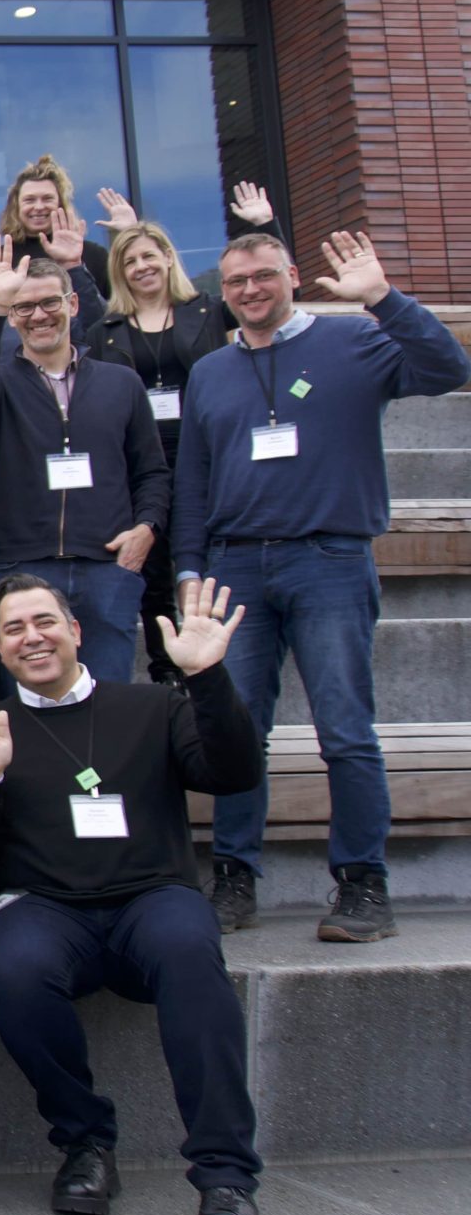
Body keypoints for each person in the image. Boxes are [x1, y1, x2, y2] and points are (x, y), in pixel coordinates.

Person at [0, 576, 265, 1215]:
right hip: (47, 907)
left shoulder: (152, 705)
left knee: (191, 954)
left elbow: (234, 772)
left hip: (153, 897)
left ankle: (225, 1177)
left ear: (76, 629)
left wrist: (205, 678)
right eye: (15, 628)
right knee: (16, 968)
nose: (33, 636)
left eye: (44, 620)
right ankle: (85, 1142)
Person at [173, 230, 471, 942]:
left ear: (293, 276)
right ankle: (235, 878)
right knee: (239, 732)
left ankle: (364, 885)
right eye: (237, 281)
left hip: (328, 559)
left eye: (263, 276)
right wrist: (190, 569)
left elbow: (448, 365)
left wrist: (383, 297)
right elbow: (193, 481)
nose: (250, 290)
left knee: (345, 730)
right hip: (236, 568)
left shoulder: (356, 345)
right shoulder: (211, 371)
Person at [0, 248, 168, 686]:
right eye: (24, 307)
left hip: (107, 565)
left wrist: (147, 527)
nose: (39, 315)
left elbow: (151, 471)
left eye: (50, 302)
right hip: (20, 565)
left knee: (110, 700)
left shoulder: (121, 383)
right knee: (27, 711)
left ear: (72, 304)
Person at [81, 213, 232, 684]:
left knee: (204, 556)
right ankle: (167, 671)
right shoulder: (107, 329)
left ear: (169, 258)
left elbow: (267, 296)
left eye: (150, 255)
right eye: (129, 260)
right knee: (152, 569)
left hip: (202, 448)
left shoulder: (205, 311)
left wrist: (266, 227)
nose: (141, 266)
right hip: (142, 457)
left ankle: (214, 661)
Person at [0, 154, 113, 294]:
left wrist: (127, 231)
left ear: (61, 204)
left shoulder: (93, 255)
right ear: (16, 206)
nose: (39, 207)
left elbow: (118, 306)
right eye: (29, 200)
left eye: (47, 198)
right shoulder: (1, 260)